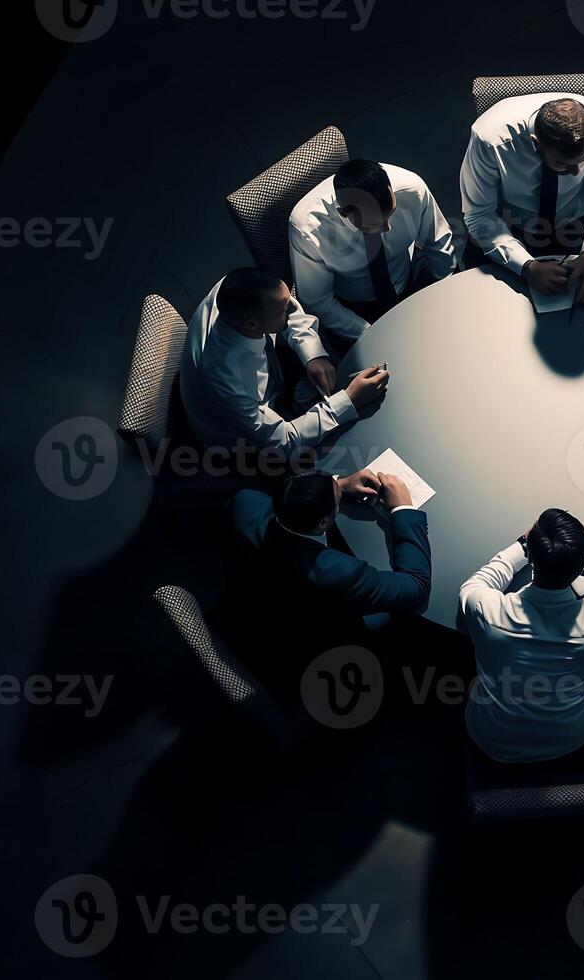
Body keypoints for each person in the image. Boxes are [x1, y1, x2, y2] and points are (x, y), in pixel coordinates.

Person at [218, 469, 430, 690]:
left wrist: (340, 484)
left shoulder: (244, 502)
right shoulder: (342, 573)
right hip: (307, 641)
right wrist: (402, 508)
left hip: (252, 598)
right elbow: (417, 585)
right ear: (323, 522)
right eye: (336, 501)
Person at [457, 508, 584, 764]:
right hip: (575, 739)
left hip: (493, 738)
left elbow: (478, 581)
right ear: (580, 564)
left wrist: (522, 545)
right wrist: (582, 556)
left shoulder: (485, 608)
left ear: (531, 556)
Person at [177, 268, 389, 454]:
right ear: (252, 325)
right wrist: (349, 400)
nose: (291, 309)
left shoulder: (234, 289)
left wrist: (312, 353)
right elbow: (283, 442)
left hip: (272, 375)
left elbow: (290, 311)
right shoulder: (227, 377)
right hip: (240, 442)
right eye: (282, 310)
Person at [459, 94, 584, 305]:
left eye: (582, 161)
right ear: (536, 143)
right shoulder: (490, 139)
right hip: (510, 227)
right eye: (563, 163)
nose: (576, 172)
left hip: (576, 224)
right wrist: (526, 266)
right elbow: (478, 214)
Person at [289, 158, 457, 343]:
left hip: (407, 278)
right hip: (354, 308)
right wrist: (371, 335)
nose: (387, 228)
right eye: (374, 225)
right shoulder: (307, 229)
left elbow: (437, 242)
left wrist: (447, 292)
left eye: (391, 213)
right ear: (344, 213)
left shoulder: (412, 190)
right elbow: (319, 302)